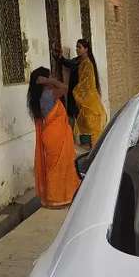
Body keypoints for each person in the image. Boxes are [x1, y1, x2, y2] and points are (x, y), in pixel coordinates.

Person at [27, 67, 80, 209]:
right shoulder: (48, 95)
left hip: (49, 137)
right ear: (43, 81)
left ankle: (52, 199)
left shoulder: (36, 98)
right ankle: (59, 198)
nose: (53, 78)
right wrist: (49, 80)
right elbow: (65, 87)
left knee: (53, 169)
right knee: (59, 169)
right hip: (57, 138)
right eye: (50, 76)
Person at [72, 39, 106, 148]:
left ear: (86, 49)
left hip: (90, 102)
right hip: (88, 101)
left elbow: (86, 83)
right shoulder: (82, 62)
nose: (77, 49)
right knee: (88, 130)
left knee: (93, 130)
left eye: (79, 47)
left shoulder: (87, 64)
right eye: (76, 47)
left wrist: (75, 91)